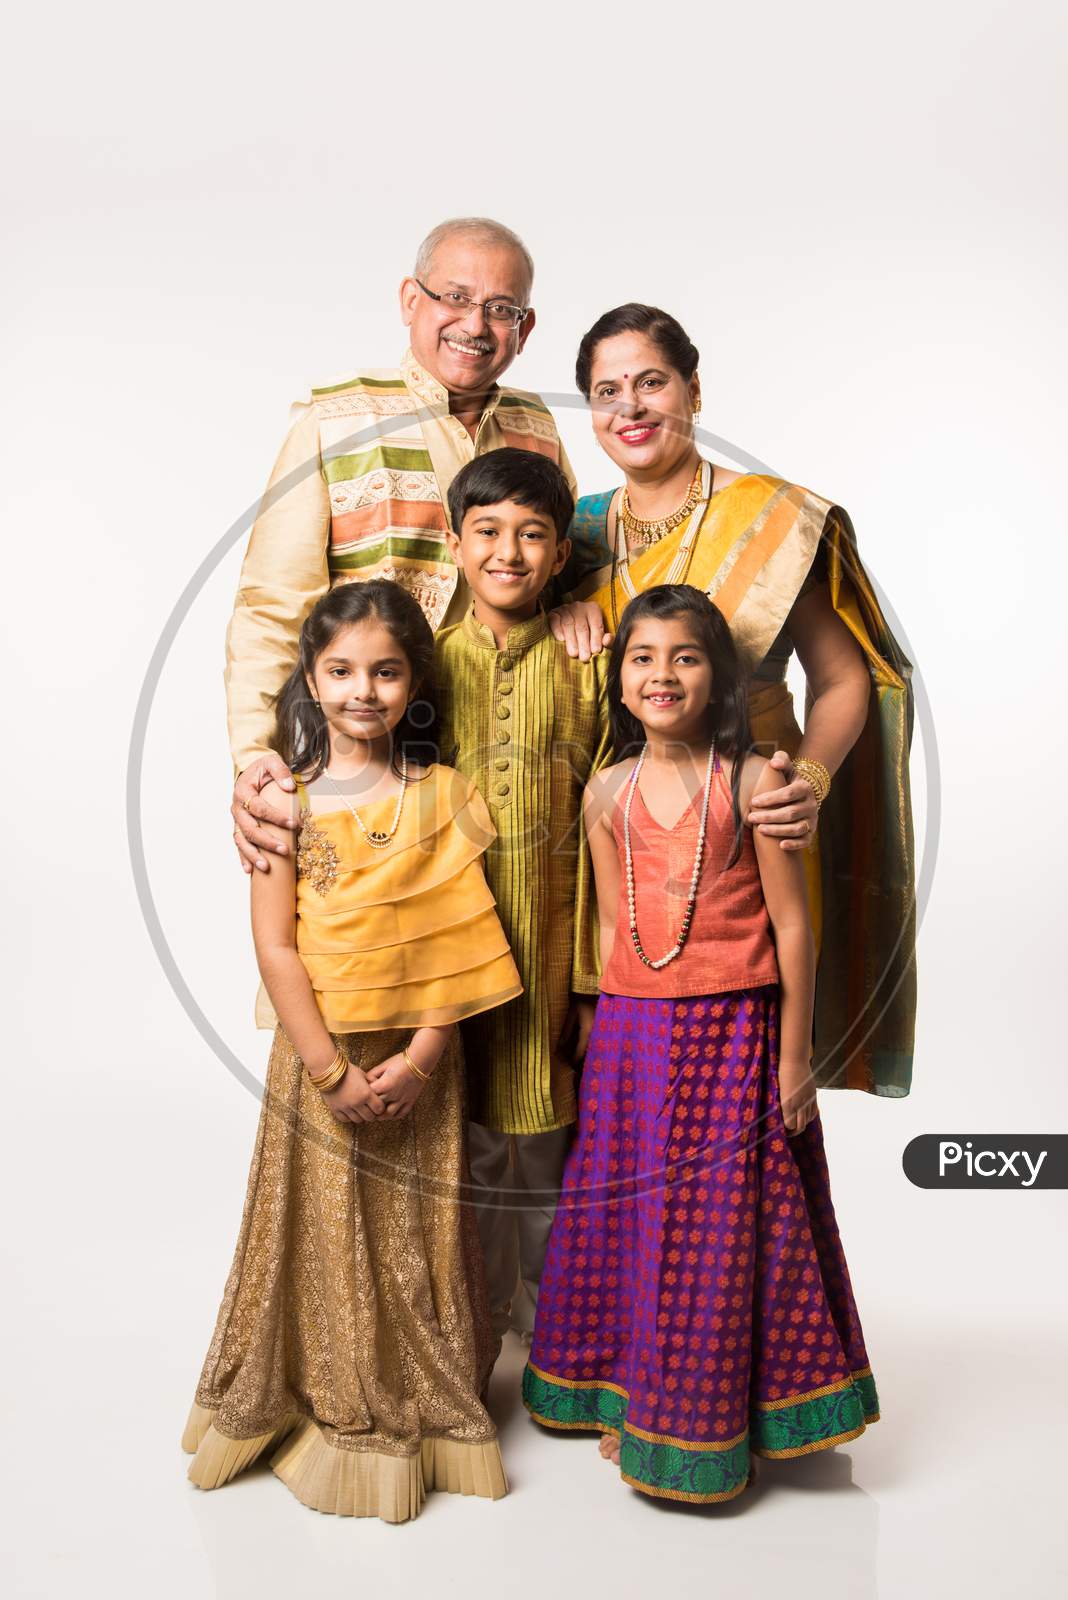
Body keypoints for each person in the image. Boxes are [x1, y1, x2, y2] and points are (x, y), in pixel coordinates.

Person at [523, 585, 879, 1504]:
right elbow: (610, 931)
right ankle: (631, 1394)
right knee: (633, 1219)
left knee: (719, 1225)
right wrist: (599, 1040)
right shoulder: (608, 790)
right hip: (635, 1043)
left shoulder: (754, 778)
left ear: (717, 672)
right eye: (641, 657)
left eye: (684, 656)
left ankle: (719, 1417)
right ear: (619, 678)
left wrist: (795, 1058)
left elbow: (793, 930)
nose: (661, 674)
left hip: (734, 1036)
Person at [183, 580, 523, 1524]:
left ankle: (418, 1397)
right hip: (319, 1057)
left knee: (417, 1239)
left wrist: (417, 1061)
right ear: (308, 679)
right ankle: (319, 1397)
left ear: (415, 683)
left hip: (420, 1063)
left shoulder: (444, 795)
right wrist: (330, 1071)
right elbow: (277, 946)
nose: (361, 691)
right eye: (339, 671)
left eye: (384, 671)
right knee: (322, 1229)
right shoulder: (282, 800)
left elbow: (463, 945)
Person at [550, 304, 915, 1097]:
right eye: (607, 392)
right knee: (633, 1075)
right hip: (627, 821)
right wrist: (556, 608)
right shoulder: (571, 535)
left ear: (694, 390)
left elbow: (847, 677)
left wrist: (807, 787)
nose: (630, 407)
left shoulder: (771, 518)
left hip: (751, 817)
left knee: (750, 1074)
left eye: (651, 382)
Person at [228, 215, 575, 872]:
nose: (475, 325)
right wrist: (255, 756)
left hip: (506, 753)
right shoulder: (337, 418)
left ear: (524, 330)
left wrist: (577, 607)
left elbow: (563, 571)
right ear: (411, 301)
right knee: (350, 953)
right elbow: (271, 604)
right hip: (361, 756)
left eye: (501, 309)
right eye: (455, 297)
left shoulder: (538, 426)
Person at [435, 449, 611, 1346]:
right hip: (452, 961)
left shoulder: (591, 664)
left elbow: (612, 830)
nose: (510, 552)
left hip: (552, 951)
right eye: (489, 532)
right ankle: (472, 1334)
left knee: (548, 1149)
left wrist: (590, 979)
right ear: (456, 543)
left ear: (558, 553)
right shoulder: (424, 668)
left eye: (533, 534)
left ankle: (558, 1348)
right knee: (464, 1152)